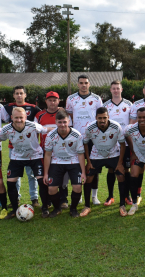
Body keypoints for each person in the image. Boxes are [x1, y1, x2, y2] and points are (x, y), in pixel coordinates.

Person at [0, 107, 52, 219]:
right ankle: (15, 209)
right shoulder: (6, 129)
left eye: (21, 117)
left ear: (25, 117)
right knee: (11, 183)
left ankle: (45, 207)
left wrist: (61, 128)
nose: (19, 120)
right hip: (17, 157)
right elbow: (0, 138)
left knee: (42, 181)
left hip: (35, 156)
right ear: (12, 118)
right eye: (16, 118)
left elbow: (46, 129)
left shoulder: (33, 125)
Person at [80, 107, 127, 217]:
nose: (102, 120)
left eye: (104, 118)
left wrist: (120, 163)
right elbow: (85, 143)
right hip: (96, 155)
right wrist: (89, 162)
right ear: (96, 118)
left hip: (113, 154)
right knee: (89, 178)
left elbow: (122, 144)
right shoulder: (90, 128)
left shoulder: (116, 127)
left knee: (121, 176)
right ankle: (87, 206)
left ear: (108, 117)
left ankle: (122, 205)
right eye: (100, 118)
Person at [66, 74, 103, 205]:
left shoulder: (96, 98)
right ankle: (79, 194)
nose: (83, 85)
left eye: (86, 83)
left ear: (89, 84)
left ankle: (94, 196)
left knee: (93, 166)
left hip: (93, 138)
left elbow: (101, 116)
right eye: (81, 83)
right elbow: (69, 116)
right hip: (77, 137)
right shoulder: (71, 99)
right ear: (77, 84)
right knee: (76, 166)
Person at [43, 109, 86, 218]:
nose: (62, 124)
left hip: (73, 161)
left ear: (69, 122)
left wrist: (83, 173)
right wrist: (46, 173)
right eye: (60, 122)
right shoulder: (50, 136)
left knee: (77, 187)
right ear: (56, 122)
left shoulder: (77, 135)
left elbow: (81, 154)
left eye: (64, 122)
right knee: (51, 189)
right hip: (57, 161)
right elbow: (47, 155)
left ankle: (73, 209)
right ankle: (57, 208)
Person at [4, 86, 43, 207]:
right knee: (15, 175)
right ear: (14, 95)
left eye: (21, 93)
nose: (19, 95)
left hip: (31, 148)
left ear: (25, 95)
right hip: (14, 147)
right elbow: (6, 124)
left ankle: (34, 198)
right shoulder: (7, 107)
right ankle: (16, 199)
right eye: (17, 93)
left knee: (32, 174)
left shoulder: (33, 108)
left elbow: (41, 118)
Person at [35, 91, 72, 209]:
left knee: (63, 177)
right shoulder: (39, 115)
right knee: (47, 177)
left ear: (59, 101)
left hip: (63, 151)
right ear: (46, 101)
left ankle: (63, 200)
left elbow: (70, 130)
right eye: (50, 100)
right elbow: (35, 132)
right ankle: (48, 201)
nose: (52, 102)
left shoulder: (64, 114)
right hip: (46, 152)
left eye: (54, 100)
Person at [102, 80, 133, 206]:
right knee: (111, 169)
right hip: (111, 142)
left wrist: (127, 131)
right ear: (110, 90)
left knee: (126, 169)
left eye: (117, 88)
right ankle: (110, 196)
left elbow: (132, 120)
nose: (115, 90)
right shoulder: (106, 105)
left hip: (125, 142)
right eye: (113, 88)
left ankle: (127, 196)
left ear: (121, 89)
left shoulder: (129, 104)